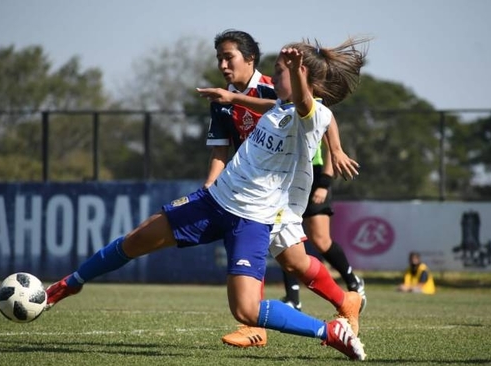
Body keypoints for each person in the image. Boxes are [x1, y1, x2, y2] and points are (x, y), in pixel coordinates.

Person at [44, 36, 368, 360]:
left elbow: (308, 107)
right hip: (215, 200)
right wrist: (231, 97)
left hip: (252, 218)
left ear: (301, 79)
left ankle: (329, 330)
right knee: (135, 240)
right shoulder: (281, 104)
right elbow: (273, 106)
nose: (274, 76)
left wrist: (299, 75)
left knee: (246, 309)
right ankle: (69, 284)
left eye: (280, 71)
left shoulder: (310, 114)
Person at [197, 30, 365, 348]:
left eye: (228, 56)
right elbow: (255, 119)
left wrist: (337, 150)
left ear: (249, 58)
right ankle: (346, 301)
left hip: (278, 191)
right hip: (255, 188)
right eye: (218, 57)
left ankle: (252, 324)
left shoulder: (281, 88)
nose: (222, 64)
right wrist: (210, 182)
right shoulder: (242, 96)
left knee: (256, 243)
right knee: (295, 261)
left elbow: (317, 110)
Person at [280, 141, 367, 312]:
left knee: (321, 240)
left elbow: (331, 147)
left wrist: (324, 183)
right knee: (284, 236)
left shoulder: (314, 113)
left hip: (315, 174)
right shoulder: (278, 114)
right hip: (287, 174)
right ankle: (293, 298)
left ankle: (353, 281)